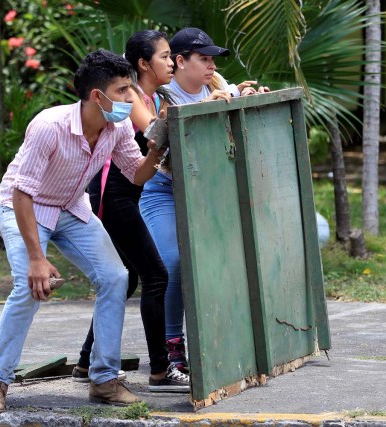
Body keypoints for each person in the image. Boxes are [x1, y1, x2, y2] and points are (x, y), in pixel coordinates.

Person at [0, 49, 166, 413]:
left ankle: (104, 381)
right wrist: (37, 258)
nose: (132, 98)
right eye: (124, 90)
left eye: (131, 89)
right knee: (28, 287)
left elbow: (135, 174)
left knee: (115, 277)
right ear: (98, 96)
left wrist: (157, 148)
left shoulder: (118, 126)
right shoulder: (50, 126)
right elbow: (21, 192)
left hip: (70, 205)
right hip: (26, 207)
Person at [138, 28, 269, 373]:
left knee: (225, 258)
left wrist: (247, 98)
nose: (212, 66)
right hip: (162, 190)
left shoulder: (218, 83)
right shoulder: (162, 96)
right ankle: (171, 345)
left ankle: (223, 341)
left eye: (213, 59)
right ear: (180, 61)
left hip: (207, 189)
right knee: (173, 261)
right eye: (204, 59)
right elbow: (161, 146)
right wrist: (199, 112)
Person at [72, 30, 190, 393]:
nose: (172, 63)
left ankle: (85, 361)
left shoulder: (155, 96)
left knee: (127, 280)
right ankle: (160, 370)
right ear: (144, 63)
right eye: (165, 56)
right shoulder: (134, 98)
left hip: (129, 192)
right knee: (155, 276)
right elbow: (153, 132)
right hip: (115, 195)